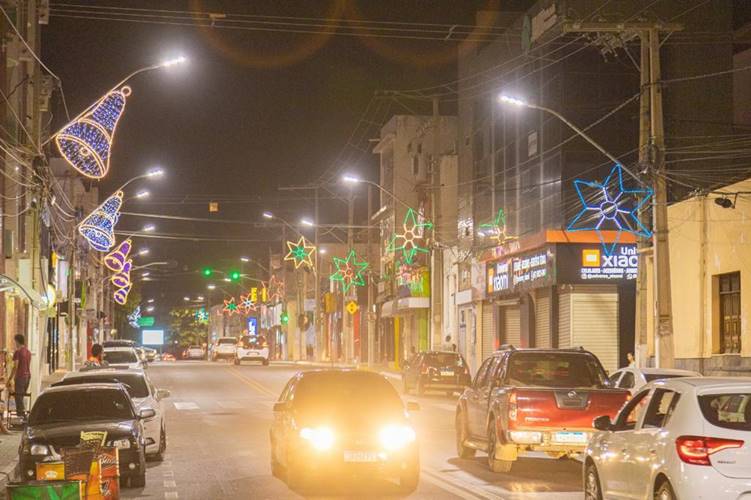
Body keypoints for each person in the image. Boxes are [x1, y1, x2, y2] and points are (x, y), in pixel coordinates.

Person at [9, 334, 31, 420]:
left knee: (18, 398)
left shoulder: (18, 352)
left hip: (20, 377)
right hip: (27, 377)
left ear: (17, 341)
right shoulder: (28, 352)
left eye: (15, 341)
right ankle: (21, 418)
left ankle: (23, 417)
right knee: (20, 397)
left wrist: (10, 378)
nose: (15, 343)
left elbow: (15, 366)